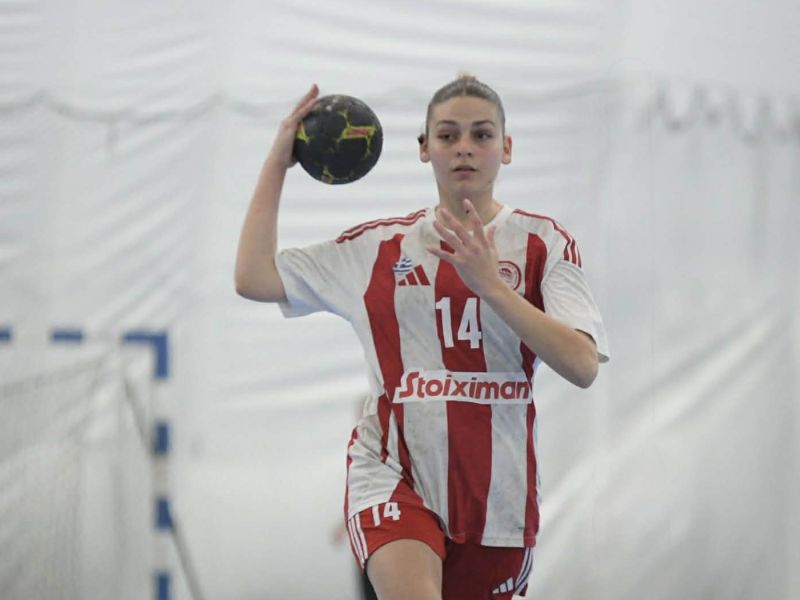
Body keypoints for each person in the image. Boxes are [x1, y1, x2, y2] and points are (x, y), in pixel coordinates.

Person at [235, 74, 610, 600]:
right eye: (447, 135)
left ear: (506, 148)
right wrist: (278, 162)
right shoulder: (378, 248)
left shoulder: (543, 243)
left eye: (481, 135)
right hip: (392, 474)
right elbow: (253, 276)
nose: (464, 147)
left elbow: (583, 365)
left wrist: (492, 287)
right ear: (423, 148)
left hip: (496, 499)